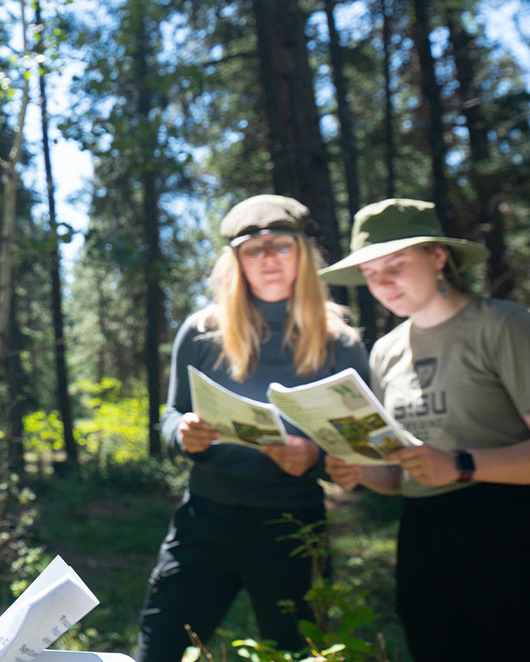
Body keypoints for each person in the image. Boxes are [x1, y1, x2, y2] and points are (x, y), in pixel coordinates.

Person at [135, 195, 370, 662]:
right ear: (236, 261)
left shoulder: (340, 341)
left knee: (299, 654)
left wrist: (317, 460)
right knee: (157, 651)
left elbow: (356, 448)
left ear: (304, 254)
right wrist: (183, 432)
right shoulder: (202, 331)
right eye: (253, 249)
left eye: (281, 246)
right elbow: (170, 414)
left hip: (293, 526)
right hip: (205, 519)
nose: (268, 259)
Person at [319, 199, 530, 662]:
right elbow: (400, 475)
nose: (383, 283)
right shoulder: (385, 352)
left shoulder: (505, 325)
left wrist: (461, 465)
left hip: (512, 531)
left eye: (396, 265)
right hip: (423, 540)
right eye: (371, 273)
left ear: (439, 256)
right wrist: (357, 471)